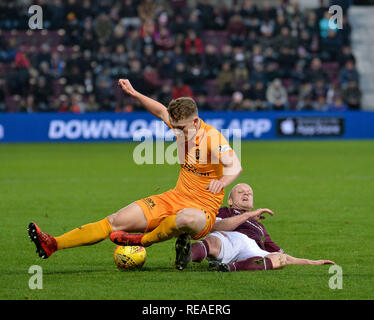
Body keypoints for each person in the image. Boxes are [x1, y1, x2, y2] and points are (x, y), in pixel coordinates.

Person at [28, 79, 242, 271]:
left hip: (202, 210)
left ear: (195, 122)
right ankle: (53, 244)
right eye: (174, 127)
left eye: (181, 128)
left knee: (185, 218)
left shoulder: (212, 138)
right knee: (115, 220)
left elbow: (235, 166)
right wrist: (134, 93)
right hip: (175, 198)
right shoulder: (180, 126)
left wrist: (222, 181)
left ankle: (143, 240)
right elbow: (160, 111)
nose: (177, 132)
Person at [188, 183, 335, 272]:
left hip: (252, 250)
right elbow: (214, 227)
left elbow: (284, 256)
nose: (246, 193)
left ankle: (230, 268)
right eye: (241, 192)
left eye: (249, 193)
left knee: (280, 260)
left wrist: (311, 262)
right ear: (231, 201)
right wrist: (247, 216)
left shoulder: (260, 227)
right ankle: (185, 256)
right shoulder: (225, 211)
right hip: (230, 239)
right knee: (213, 241)